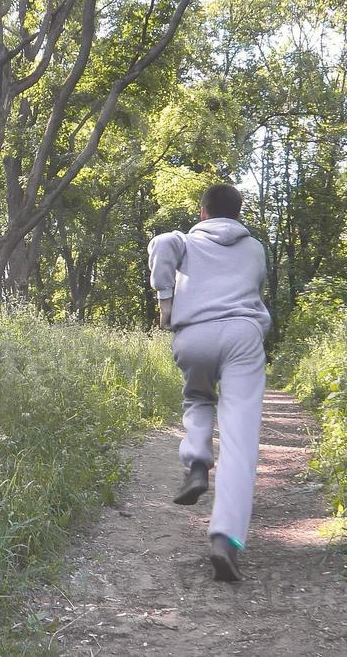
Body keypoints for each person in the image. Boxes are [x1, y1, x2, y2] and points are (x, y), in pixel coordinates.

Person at [148, 183, 271, 582]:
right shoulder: (254, 248)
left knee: (198, 397)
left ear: (202, 212)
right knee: (240, 438)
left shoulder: (185, 241)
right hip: (241, 335)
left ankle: (197, 462)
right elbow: (256, 289)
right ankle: (225, 537)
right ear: (237, 214)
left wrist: (166, 299)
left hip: (194, 335)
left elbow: (163, 241)